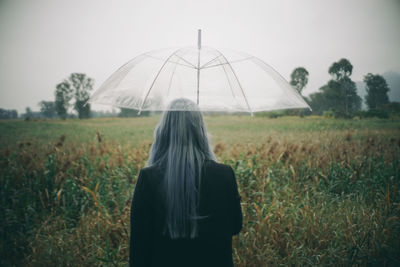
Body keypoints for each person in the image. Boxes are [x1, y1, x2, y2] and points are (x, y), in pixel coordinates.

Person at [129, 98, 243, 267]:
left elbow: (139, 247)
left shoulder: (149, 178)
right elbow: (235, 226)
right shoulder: (224, 174)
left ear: (164, 131)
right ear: (201, 131)